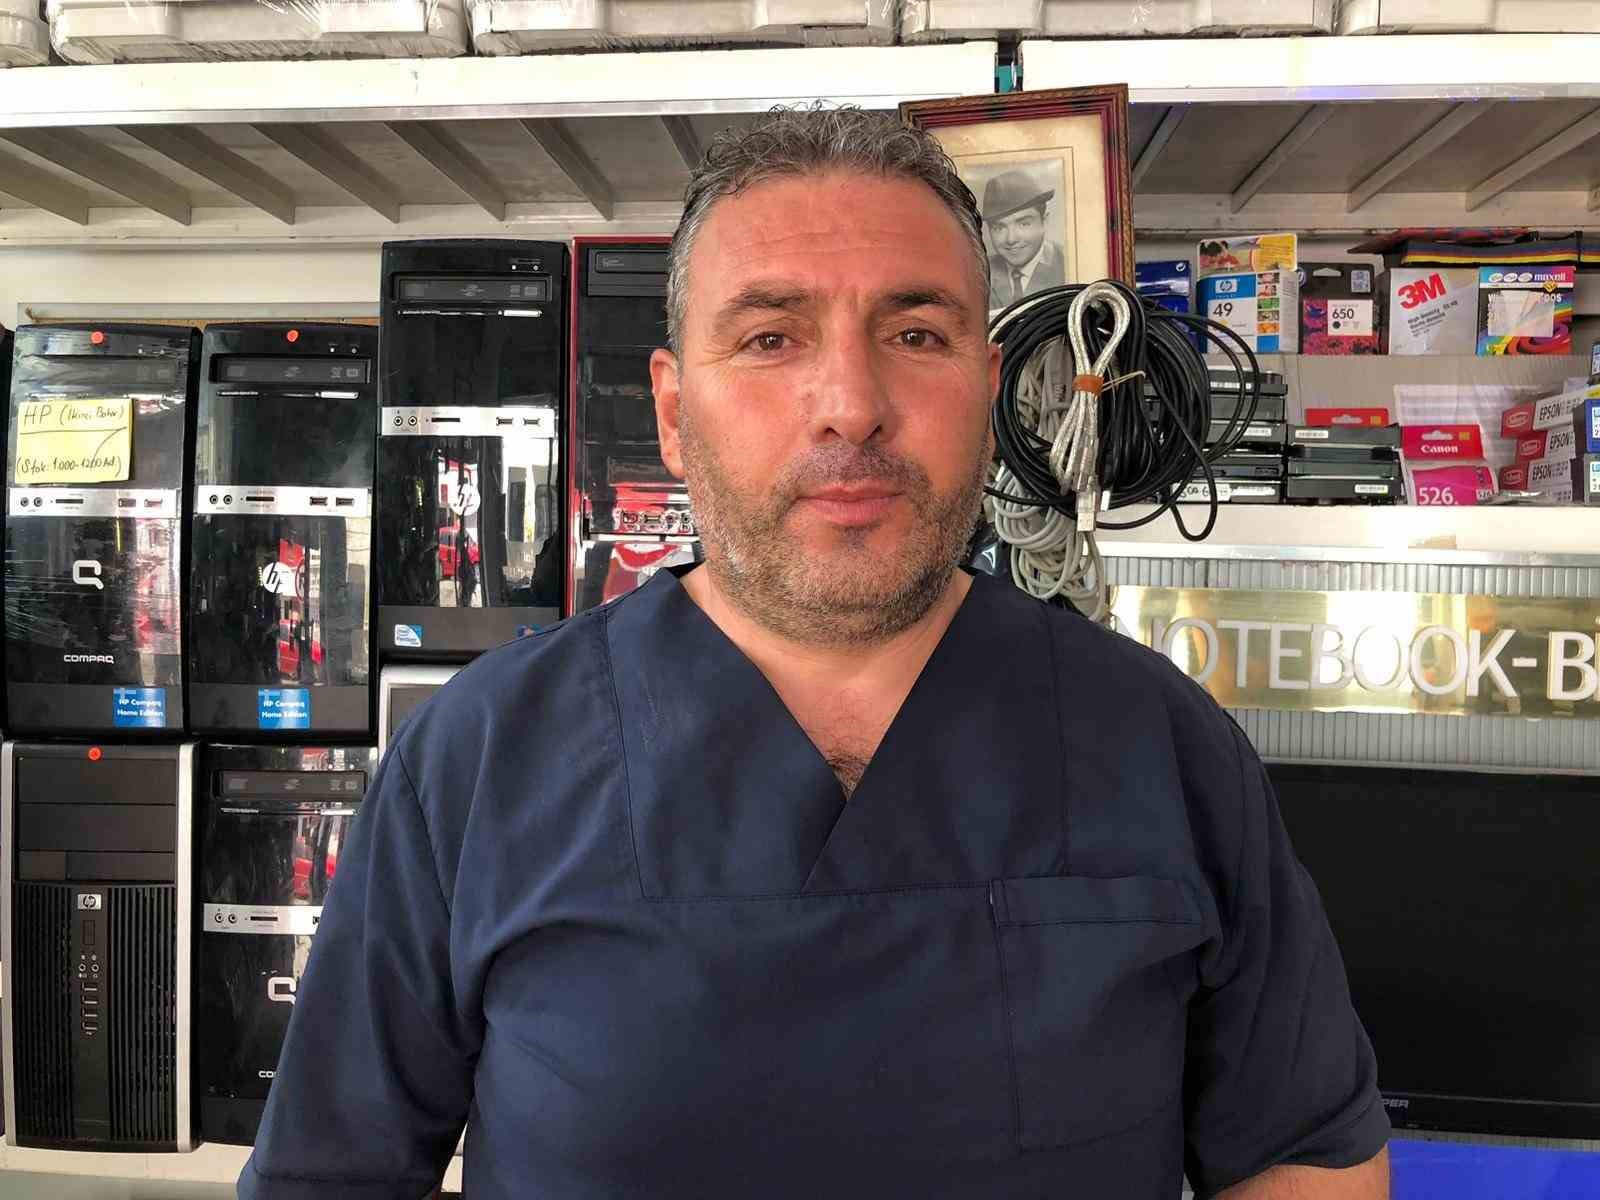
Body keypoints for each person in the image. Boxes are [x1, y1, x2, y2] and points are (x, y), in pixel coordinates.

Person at [240, 105, 1390, 1199]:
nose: (850, 403)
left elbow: (1308, 1152)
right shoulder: (478, 757)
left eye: (916, 333)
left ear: (986, 395)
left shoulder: (1165, 746)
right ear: (673, 413)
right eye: (770, 337)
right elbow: (330, 1177)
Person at [982, 168, 1067, 307]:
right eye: (999, 228)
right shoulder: (980, 272)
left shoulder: (1069, 263)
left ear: (1045, 221)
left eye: (1023, 224)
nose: (1011, 239)